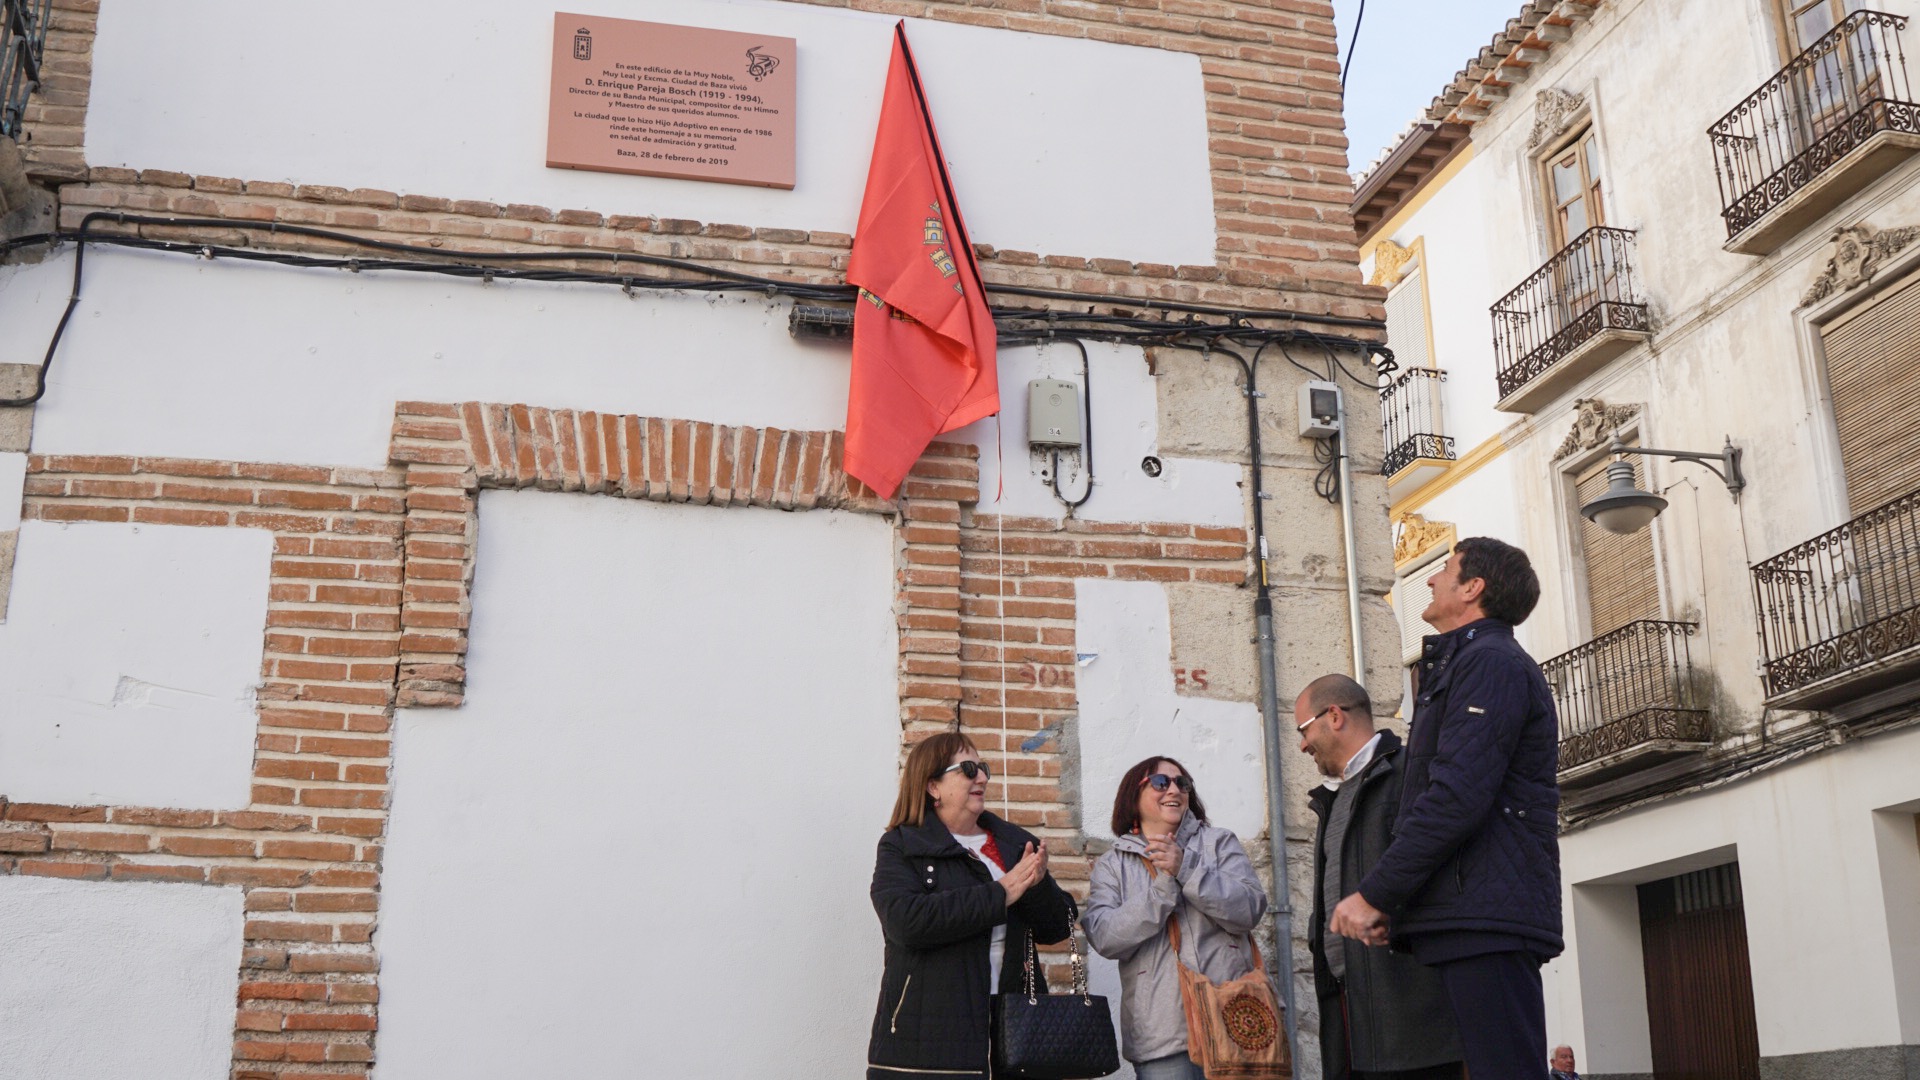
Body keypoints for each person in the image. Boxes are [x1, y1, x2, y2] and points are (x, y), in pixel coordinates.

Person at [1327, 537, 1562, 1080]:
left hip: (1488, 920)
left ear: (1473, 588)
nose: (1430, 581)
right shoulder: (1469, 664)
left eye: (1444, 571)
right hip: (1468, 915)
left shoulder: (1490, 663)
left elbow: (1456, 796)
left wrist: (1376, 893)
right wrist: (1402, 905)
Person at [867, 732, 1072, 1080]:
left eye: (982, 768)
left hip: (1013, 1030)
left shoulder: (1013, 844)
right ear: (933, 786)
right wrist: (1001, 893)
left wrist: (1035, 887)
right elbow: (905, 921)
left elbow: (1058, 928)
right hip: (929, 1042)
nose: (982, 777)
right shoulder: (901, 845)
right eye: (967, 768)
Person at [1299, 673, 1463, 1080]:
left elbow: (1442, 867)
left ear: (1334, 716)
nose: (1302, 744)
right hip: (1351, 1016)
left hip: (1410, 1022)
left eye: (1304, 730)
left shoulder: (1409, 772)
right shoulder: (1333, 796)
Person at [1083, 756, 1270, 1080]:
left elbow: (1250, 909)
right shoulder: (1112, 865)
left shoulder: (1219, 842)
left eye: (1182, 783)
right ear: (1134, 795)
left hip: (1236, 1020)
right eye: (1160, 782)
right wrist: (1162, 889)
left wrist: (1187, 868)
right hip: (1162, 1033)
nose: (1174, 789)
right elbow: (1105, 937)